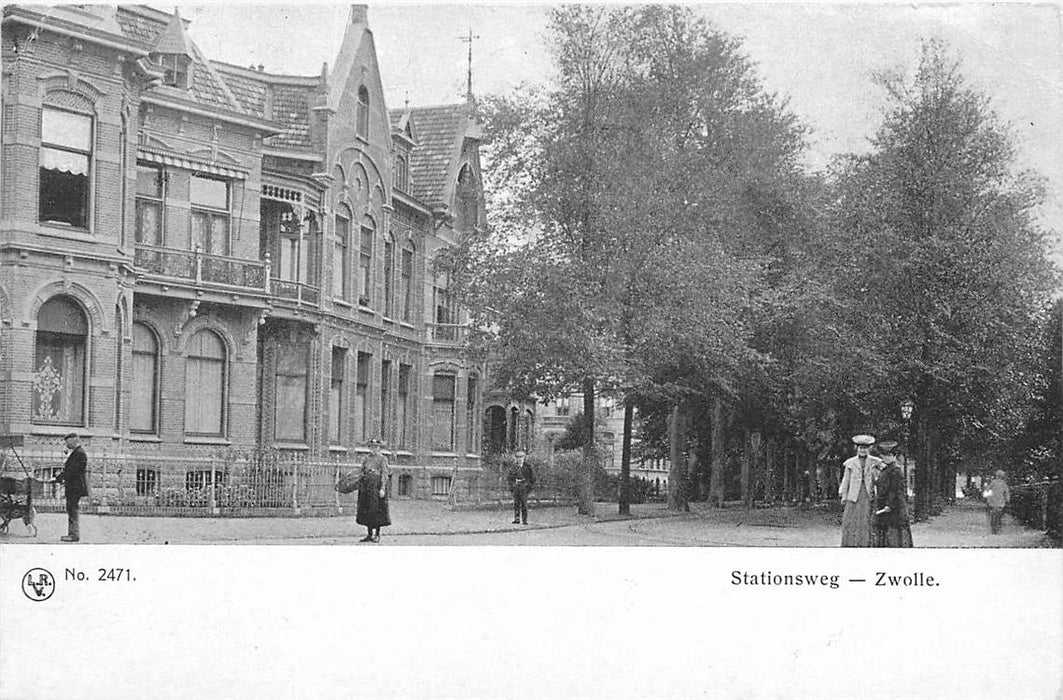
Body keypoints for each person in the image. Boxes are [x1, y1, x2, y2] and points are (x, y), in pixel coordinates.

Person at [838, 434, 881, 547]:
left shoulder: (875, 462)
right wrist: (843, 495)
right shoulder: (850, 463)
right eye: (861, 448)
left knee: (866, 519)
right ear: (856, 449)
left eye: (865, 448)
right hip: (854, 494)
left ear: (869, 449)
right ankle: (851, 543)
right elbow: (846, 480)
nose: (863, 450)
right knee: (852, 520)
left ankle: (865, 543)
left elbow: (881, 475)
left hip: (867, 493)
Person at [872, 441, 913, 547]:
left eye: (890, 455)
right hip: (883, 504)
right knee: (884, 531)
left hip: (895, 507)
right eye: (885, 455)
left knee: (895, 532)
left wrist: (889, 505)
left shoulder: (896, 471)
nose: (887, 458)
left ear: (895, 456)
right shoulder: (884, 470)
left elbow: (896, 490)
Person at [53, 432, 89, 543]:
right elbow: (69, 470)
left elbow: (71, 471)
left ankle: (74, 535)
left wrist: (58, 478)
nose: (66, 445)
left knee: (72, 509)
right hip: (73, 486)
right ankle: (72, 533)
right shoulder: (76, 453)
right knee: (71, 509)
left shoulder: (79, 454)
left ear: (74, 441)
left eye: (68, 442)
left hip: (75, 487)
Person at [356, 438, 391, 542]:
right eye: (371, 447)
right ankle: (369, 534)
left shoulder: (382, 459)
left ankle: (377, 534)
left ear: (379, 448)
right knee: (367, 510)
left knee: (377, 511)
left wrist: (382, 488)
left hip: (376, 487)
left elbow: (384, 474)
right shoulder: (366, 459)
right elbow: (361, 471)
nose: (373, 449)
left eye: (376, 447)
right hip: (366, 487)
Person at [507, 449, 535, 525]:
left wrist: (528, 486)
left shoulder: (528, 467)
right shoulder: (514, 467)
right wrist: (512, 486)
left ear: (524, 457)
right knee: (516, 503)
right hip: (516, 486)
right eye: (518, 457)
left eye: (521, 457)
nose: (519, 459)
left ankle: (524, 519)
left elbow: (532, 478)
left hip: (524, 487)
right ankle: (516, 519)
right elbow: (509, 477)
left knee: (524, 504)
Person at [984, 469, 1010, 534]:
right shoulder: (1003, 483)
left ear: (996, 476)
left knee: (993, 515)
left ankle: (993, 528)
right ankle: (997, 528)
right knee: (999, 515)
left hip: (992, 501)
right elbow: (1006, 492)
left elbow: (987, 490)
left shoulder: (993, 482)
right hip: (1001, 502)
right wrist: (1007, 499)